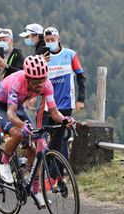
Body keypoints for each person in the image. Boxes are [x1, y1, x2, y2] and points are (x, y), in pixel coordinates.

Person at [0, 55, 75, 206]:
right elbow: (10, 114)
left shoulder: (47, 85)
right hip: (1, 106)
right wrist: (22, 126)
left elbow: (54, 113)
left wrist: (64, 120)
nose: (39, 84)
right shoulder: (17, 82)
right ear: (27, 78)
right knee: (17, 133)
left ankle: (35, 190)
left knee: (37, 142)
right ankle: (3, 162)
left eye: (42, 79)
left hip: (18, 106)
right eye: (35, 81)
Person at [42, 26, 86, 159]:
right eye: (47, 40)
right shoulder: (43, 57)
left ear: (58, 39)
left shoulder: (70, 54)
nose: (50, 42)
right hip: (48, 105)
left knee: (60, 139)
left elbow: (80, 77)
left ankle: (57, 173)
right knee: (47, 138)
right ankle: (55, 172)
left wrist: (81, 99)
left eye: (52, 39)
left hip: (65, 104)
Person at [0, 28, 25, 148]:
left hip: (13, 97)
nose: (1, 42)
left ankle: (15, 155)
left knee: (14, 128)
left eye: (4, 39)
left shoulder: (17, 54)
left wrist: (5, 66)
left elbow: (21, 73)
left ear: (11, 41)